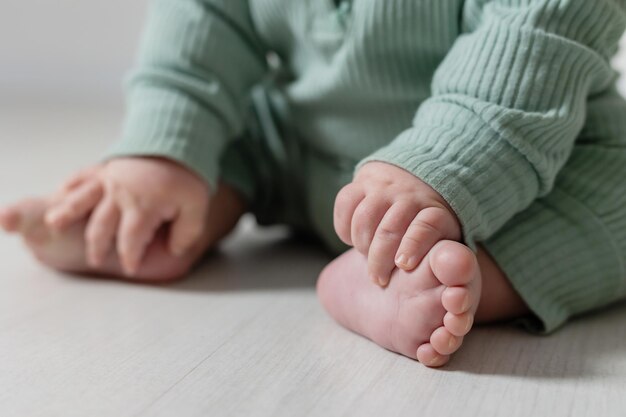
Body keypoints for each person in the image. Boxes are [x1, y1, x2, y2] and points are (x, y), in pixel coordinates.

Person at [2, 0, 626, 367]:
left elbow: (536, 42)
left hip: (518, 162)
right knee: (234, 135)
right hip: (306, 143)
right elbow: (205, 18)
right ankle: (158, 212)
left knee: (614, 195)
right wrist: (167, 142)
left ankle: (427, 277)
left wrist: (435, 163)